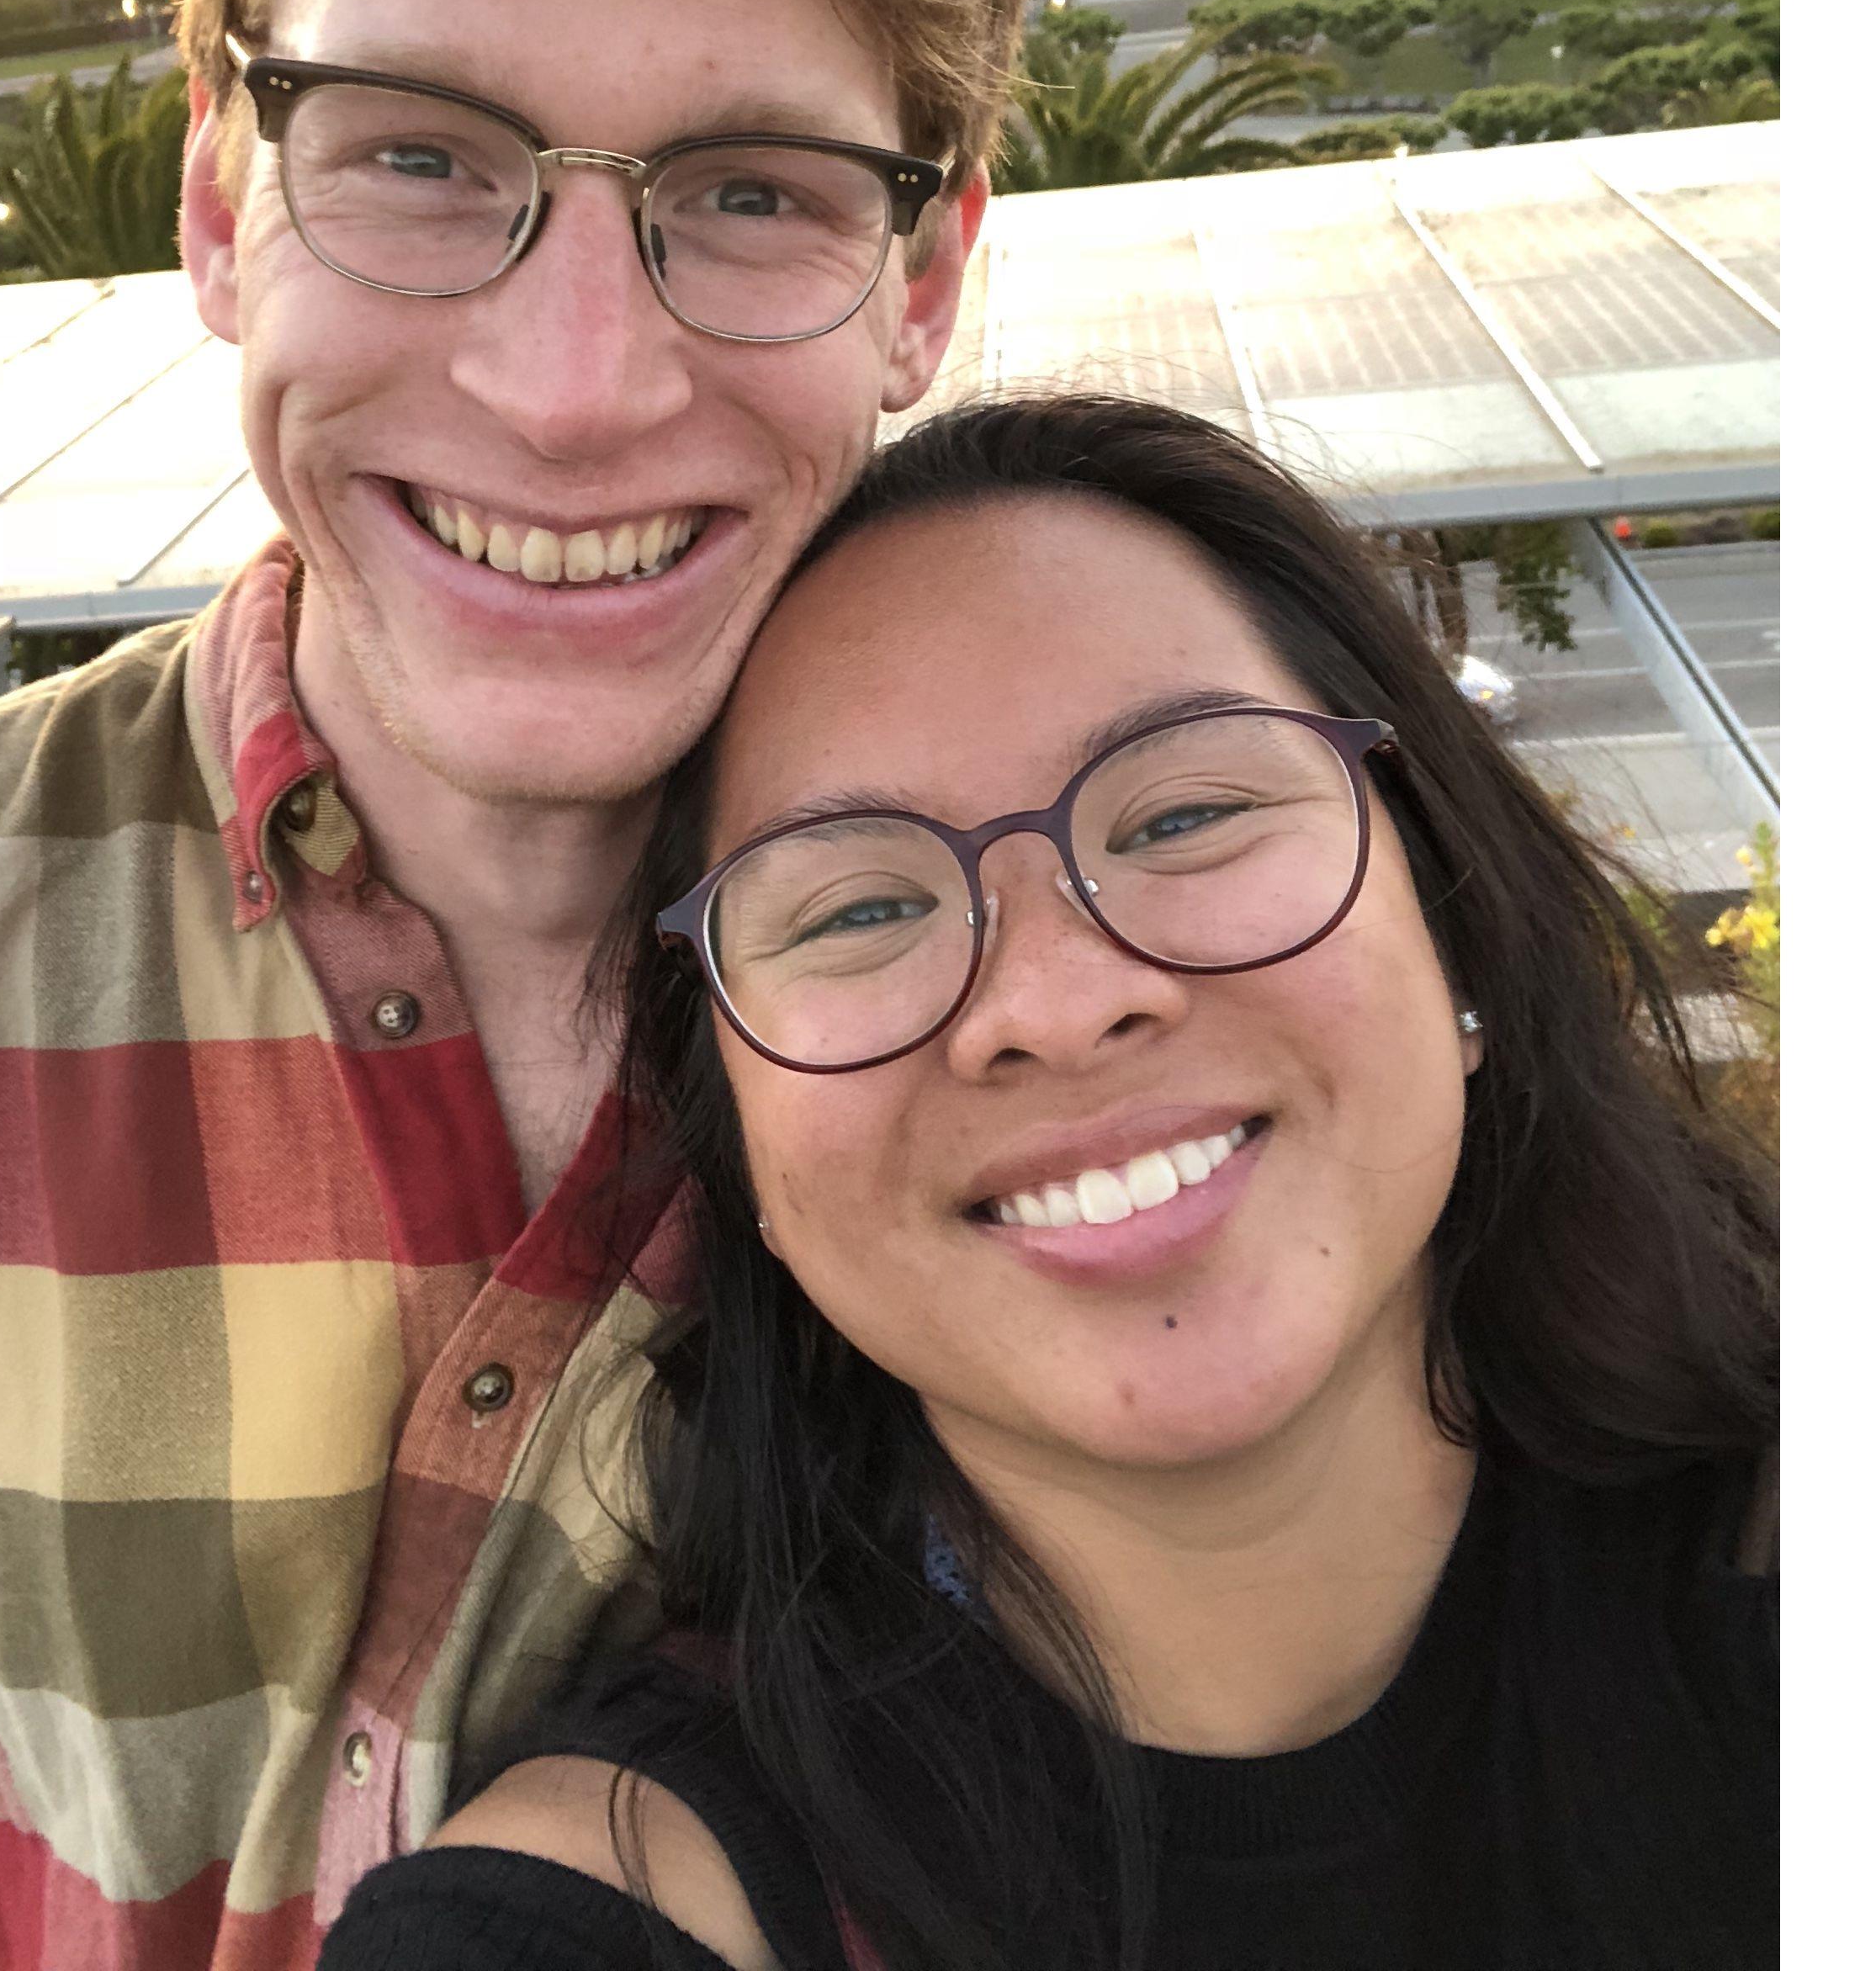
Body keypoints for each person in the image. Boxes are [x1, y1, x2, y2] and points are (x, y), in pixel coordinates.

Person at [0, 0, 1080, 1970]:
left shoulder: (1171, 1041)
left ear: (922, 276)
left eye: (747, 190)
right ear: (218, 199)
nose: (575, 386)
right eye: (416, 153)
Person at [321, 394, 1780, 1971]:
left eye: (1189, 813)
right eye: (858, 911)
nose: (1058, 1001)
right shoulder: (604, 1909)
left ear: (1454, 921)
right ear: (737, 1140)